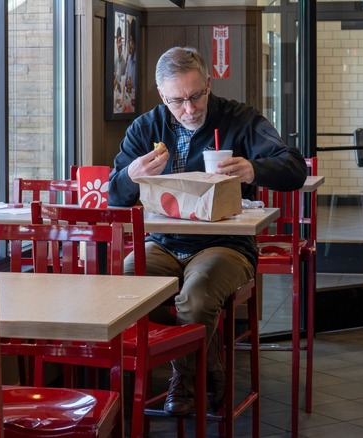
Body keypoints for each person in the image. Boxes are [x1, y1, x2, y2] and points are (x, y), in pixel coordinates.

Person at [108, 46, 307, 416]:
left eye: (196, 95)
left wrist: (253, 169)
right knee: (123, 286)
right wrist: (131, 175)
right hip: (162, 242)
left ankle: (185, 381)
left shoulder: (240, 119)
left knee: (196, 298)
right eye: (177, 100)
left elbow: (294, 168)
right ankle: (209, 367)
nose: (189, 109)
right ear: (161, 95)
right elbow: (114, 197)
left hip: (226, 244)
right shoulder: (146, 127)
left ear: (209, 83)